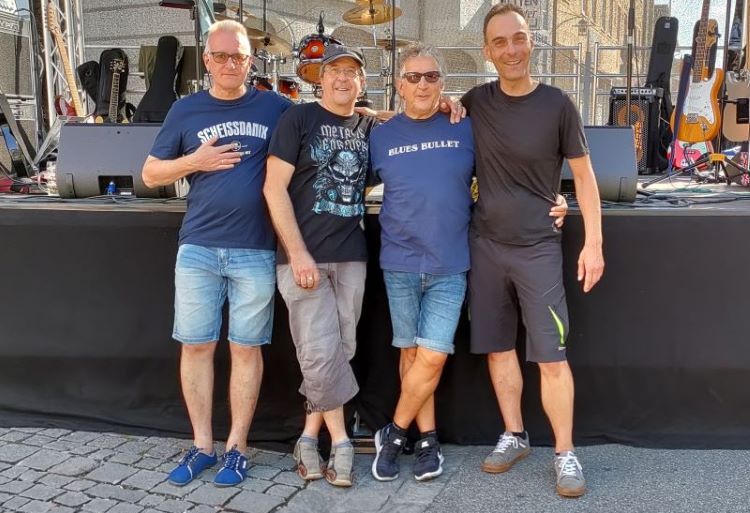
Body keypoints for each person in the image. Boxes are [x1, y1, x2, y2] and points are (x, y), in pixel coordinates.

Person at [368, 43, 569, 483]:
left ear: (443, 83)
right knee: (410, 354)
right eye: (414, 77)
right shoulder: (380, 136)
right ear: (399, 85)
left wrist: (554, 196)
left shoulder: (465, 126)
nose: (423, 84)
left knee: (432, 356)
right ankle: (427, 440)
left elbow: (513, 168)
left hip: (451, 262)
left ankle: (394, 431)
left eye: (432, 76)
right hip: (399, 261)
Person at [463, 4, 604, 498]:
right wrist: (367, 113)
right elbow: (425, 113)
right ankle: (514, 434)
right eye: (500, 42)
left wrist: (593, 242)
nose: (511, 50)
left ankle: (565, 452)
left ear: (532, 41)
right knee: (499, 348)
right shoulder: (473, 102)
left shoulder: (558, 104)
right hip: (485, 247)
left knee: (550, 356)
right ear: (487, 51)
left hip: (538, 249)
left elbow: (584, 176)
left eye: (518, 38)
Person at [142, 20, 291, 487]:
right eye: (222, 56)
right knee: (197, 345)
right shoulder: (185, 110)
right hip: (199, 249)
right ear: (206, 60)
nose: (230, 64)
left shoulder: (275, 106)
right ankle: (203, 445)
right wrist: (195, 161)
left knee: (246, 348)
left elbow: (328, 116)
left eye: (239, 56)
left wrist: (390, 112)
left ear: (251, 60)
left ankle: (237, 448)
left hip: (255, 249)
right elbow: (149, 174)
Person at [263, 44, 377, 488]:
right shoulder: (298, 118)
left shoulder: (367, 126)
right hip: (303, 257)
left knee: (338, 350)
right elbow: (273, 188)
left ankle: (308, 437)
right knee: (318, 351)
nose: (343, 78)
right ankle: (342, 442)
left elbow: (399, 119)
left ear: (361, 81)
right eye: (334, 71)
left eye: (352, 72)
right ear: (320, 78)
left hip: (351, 256)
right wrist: (297, 253)